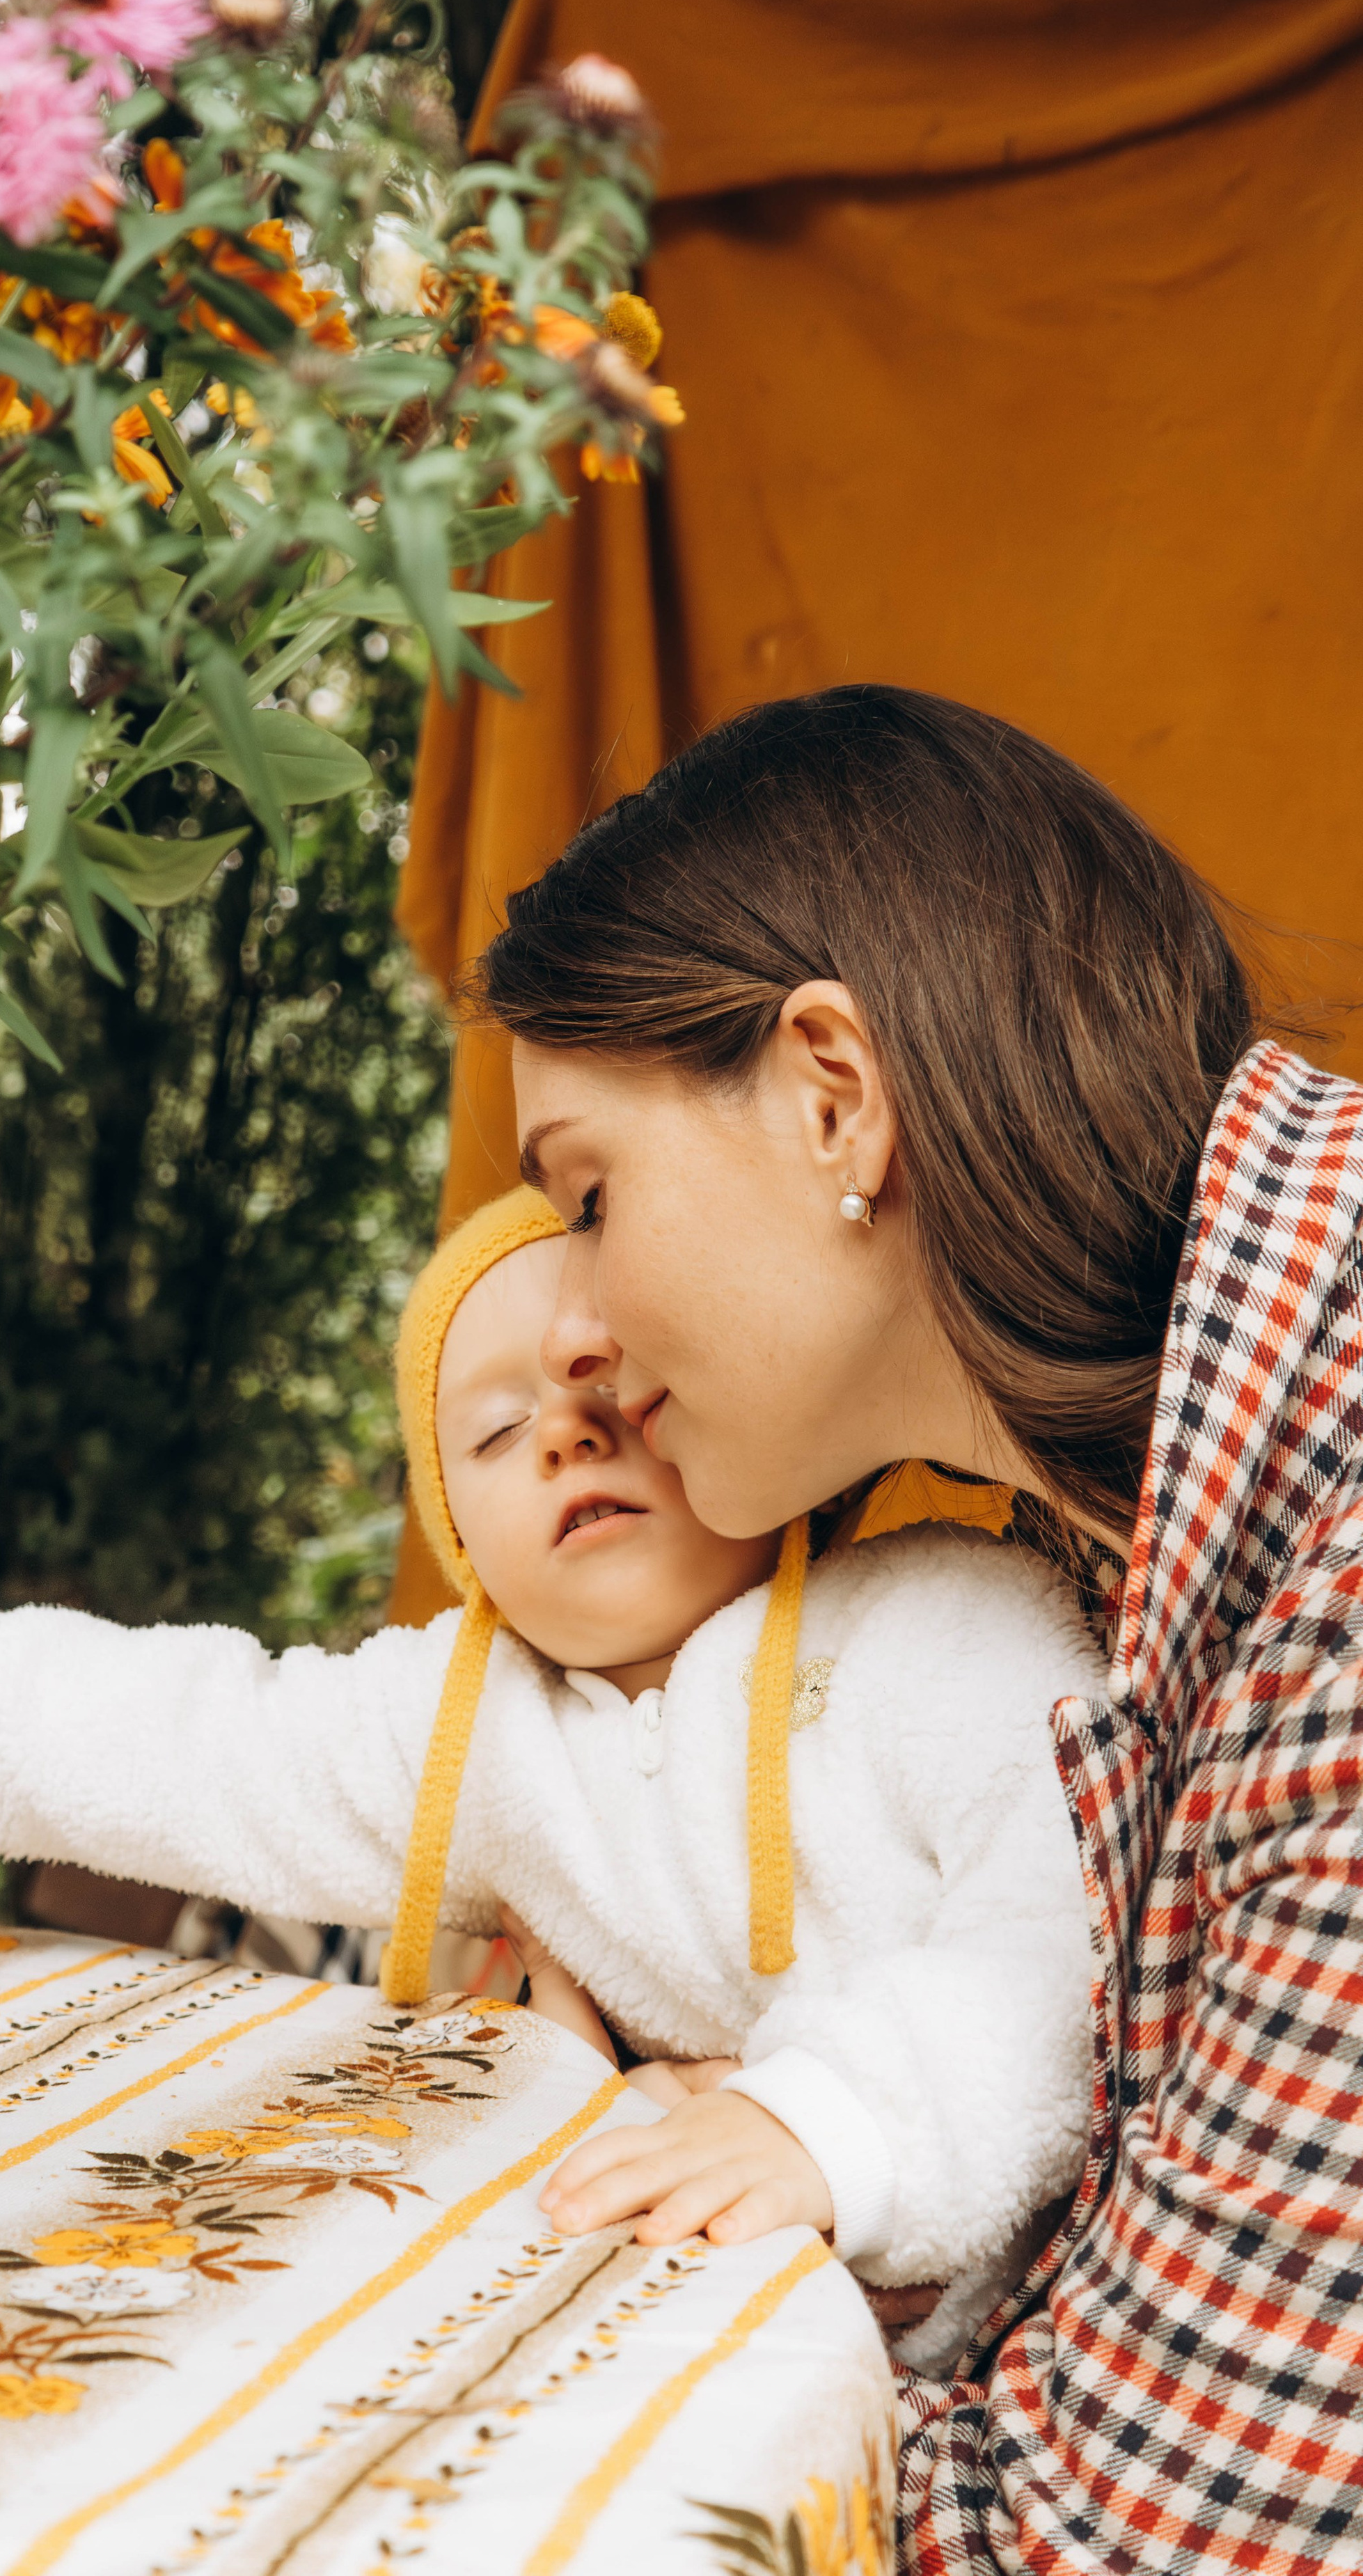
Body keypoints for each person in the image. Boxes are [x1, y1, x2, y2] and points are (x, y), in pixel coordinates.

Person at [0, 1182, 1101, 2366]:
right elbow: (192, 1735)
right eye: (492, 1430)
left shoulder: (944, 1622)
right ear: (462, 1543)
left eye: (616, 1388)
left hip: (1055, 2342)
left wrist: (827, 2123)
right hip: (740, 2331)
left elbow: (1065, 1919)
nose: (561, 1428)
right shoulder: (472, 1729)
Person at [468, 681, 1363, 2568]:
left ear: (831, 1097)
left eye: (591, 1195)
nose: (588, 1328)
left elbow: (1098, 2543)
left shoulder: (1340, 1593)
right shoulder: (1189, 1525)